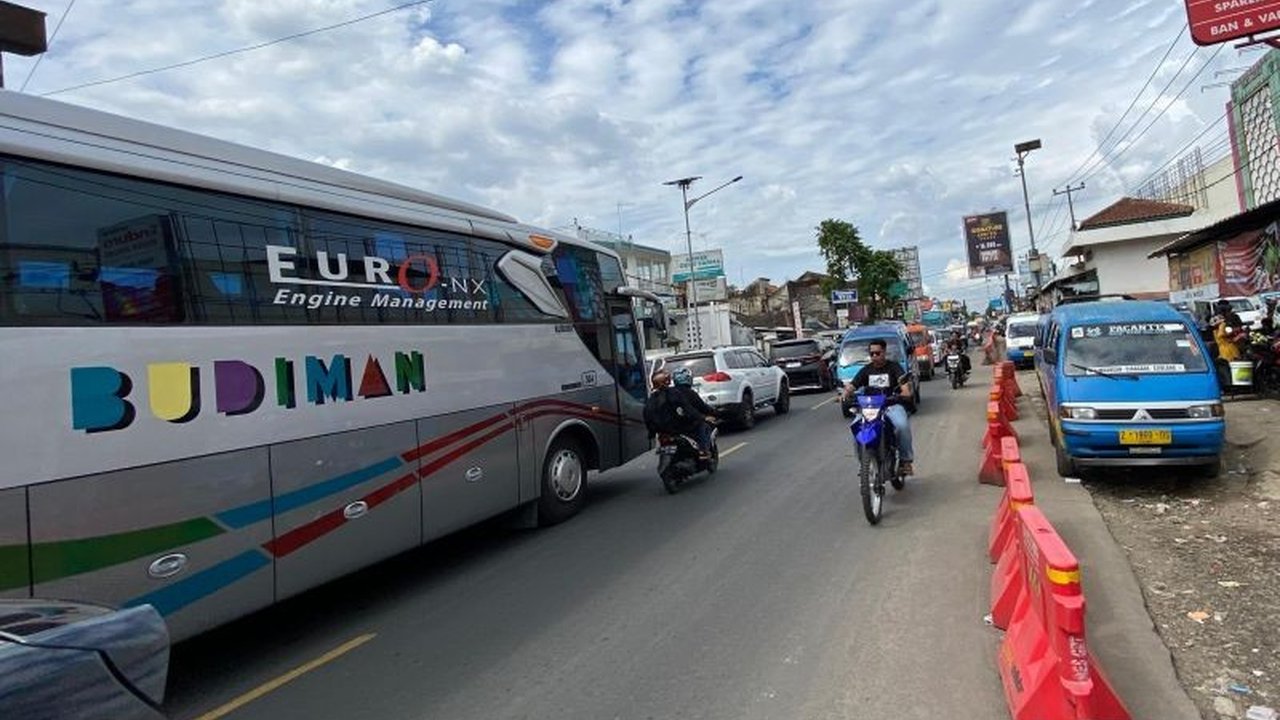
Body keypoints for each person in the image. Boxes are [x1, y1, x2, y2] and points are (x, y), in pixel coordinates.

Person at [840, 339, 915, 476]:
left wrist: (904, 393)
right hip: (870, 408)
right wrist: (845, 393)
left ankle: (906, 462)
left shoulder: (894, 367)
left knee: (902, 426)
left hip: (891, 406)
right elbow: (852, 385)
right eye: (872, 353)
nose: (874, 356)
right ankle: (864, 464)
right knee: (856, 429)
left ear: (884, 352)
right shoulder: (866, 370)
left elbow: (904, 387)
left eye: (877, 353)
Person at [643, 369, 716, 458]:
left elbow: (647, 416)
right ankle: (703, 451)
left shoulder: (652, 399)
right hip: (678, 428)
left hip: (662, 431)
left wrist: (652, 432)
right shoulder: (674, 394)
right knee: (702, 426)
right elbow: (688, 409)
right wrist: (702, 418)